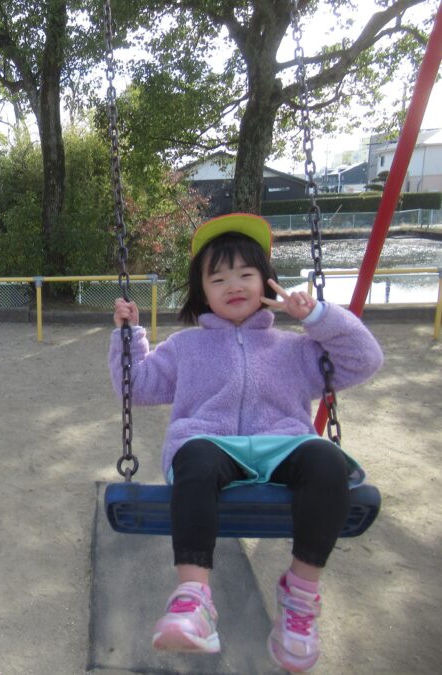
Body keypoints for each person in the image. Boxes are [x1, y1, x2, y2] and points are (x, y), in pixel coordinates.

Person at [109, 213, 383, 672]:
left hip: (283, 444)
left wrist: (318, 318)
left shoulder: (293, 347)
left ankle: (299, 599)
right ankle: (193, 599)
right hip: (213, 444)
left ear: (267, 282)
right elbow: (137, 386)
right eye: (218, 278)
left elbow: (364, 360)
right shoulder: (186, 346)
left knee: (326, 459)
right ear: (203, 292)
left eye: (245, 274)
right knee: (193, 455)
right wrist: (130, 336)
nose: (233, 285)